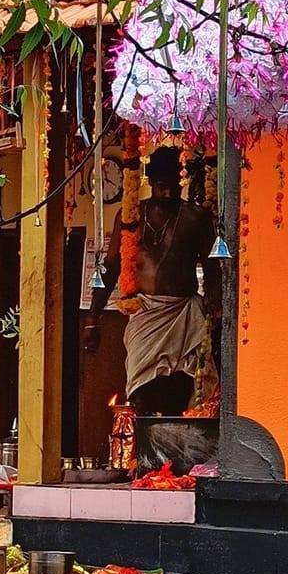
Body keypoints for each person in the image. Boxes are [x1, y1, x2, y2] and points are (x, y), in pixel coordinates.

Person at [84, 145, 216, 415]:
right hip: (144, 318)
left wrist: (216, 317)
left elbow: (214, 272)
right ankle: (146, 454)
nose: (168, 193)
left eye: (174, 186)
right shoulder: (131, 216)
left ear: (182, 182)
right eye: (161, 186)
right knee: (142, 395)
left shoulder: (195, 218)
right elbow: (110, 268)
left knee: (185, 390)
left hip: (185, 318)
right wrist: (92, 320)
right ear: (151, 182)